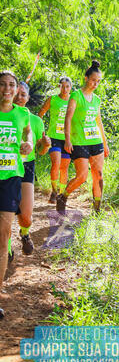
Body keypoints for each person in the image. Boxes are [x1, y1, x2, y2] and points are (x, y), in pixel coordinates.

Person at [0, 71, 33, 320]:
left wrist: (28, 143)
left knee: (3, 237)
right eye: (2, 85)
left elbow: (28, 133)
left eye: (11, 85)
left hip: (10, 178)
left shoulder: (22, 114)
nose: (7, 89)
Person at [56, 60, 109, 214]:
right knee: (82, 176)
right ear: (86, 78)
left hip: (96, 141)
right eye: (93, 80)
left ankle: (97, 209)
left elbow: (99, 122)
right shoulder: (76, 96)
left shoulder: (97, 100)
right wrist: (67, 139)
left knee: (98, 175)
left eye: (98, 81)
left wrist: (105, 144)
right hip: (79, 141)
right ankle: (63, 196)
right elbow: (68, 117)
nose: (95, 84)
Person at [14, 82, 51, 254]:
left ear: (28, 98)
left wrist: (45, 145)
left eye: (23, 95)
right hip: (5, 165)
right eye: (17, 93)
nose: (19, 97)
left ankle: (25, 233)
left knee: (26, 217)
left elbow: (41, 151)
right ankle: (6, 250)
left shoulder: (35, 121)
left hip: (27, 166)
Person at [38, 77, 72, 203]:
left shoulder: (73, 101)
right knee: (56, 164)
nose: (65, 89)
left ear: (70, 88)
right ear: (59, 87)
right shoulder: (52, 99)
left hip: (67, 139)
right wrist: (40, 133)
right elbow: (40, 115)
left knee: (64, 168)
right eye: (62, 86)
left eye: (67, 86)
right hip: (54, 137)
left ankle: (62, 195)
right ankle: (54, 191)